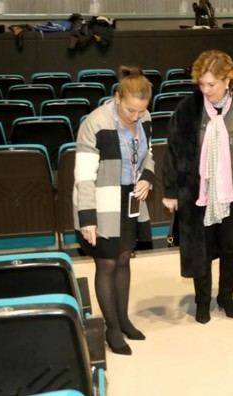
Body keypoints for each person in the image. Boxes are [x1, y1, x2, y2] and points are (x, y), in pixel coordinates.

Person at [163, 50, 233, 325]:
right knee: (201, 249)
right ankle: (202, 301)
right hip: (198, 195)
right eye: (201, 84)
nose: (205, 90)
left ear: (227, 80)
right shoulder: (188, 109)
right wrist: (171, 191)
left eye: (211, 84)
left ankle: (226, 296)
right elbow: (173, 152)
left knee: (232, 248)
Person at [74, 65, 154, 355]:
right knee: (106, 263)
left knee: (123, 259)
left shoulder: (145, 117)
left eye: (140, 111)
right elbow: (83, 174)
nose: (135, 116)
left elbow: (149, 154)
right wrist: (87, 218)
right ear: (118, 98)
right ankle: (112, 328)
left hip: (130, 198)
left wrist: (147, 177)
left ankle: (124, 320)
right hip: (100, 199)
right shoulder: (95, 123)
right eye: (130, 110)